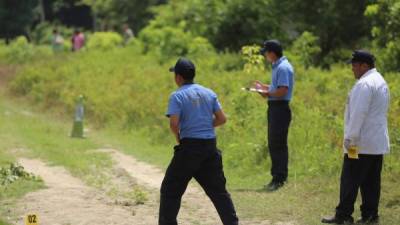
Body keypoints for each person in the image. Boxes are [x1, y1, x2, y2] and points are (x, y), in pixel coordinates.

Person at [159, 58, 239, 225]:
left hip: (189, 149)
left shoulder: (177, 96)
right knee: (219, 192)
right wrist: (204, 125)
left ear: (179, 77)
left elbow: (174, 124)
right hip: (210, 148)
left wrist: (179, 137)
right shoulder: (209, 93)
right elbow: (222, 119)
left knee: (170, 190)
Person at [322, 50, 390, 224]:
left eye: (354, 65)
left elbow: (358, 114)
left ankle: (343, 215)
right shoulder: (380, 81)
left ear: (364, 65)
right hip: (375, 143)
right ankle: (370, 215)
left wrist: (350, 139)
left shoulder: (364, 84)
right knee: (371, 182)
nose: (352, 69)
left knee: (349, 179)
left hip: (359, 143)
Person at [254, 40, 294, 192]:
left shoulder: (283, 67)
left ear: (272, 53)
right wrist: (264, 88)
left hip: (280, 109)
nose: (265, 56)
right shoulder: (278, 66)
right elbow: (276, 88)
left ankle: (279, 178)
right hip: (275, 108)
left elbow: (283, 91)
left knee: (277, 144)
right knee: (274, 143)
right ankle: (277, 177)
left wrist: (267, 93)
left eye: (265, 53)